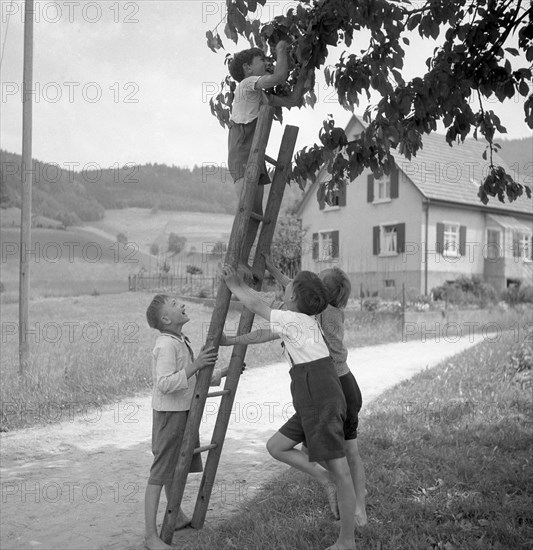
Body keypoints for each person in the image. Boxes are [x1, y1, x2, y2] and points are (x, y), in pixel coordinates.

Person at [221, 266, 356, 550]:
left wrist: (235, 285)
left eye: (289, 284)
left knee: (342, 472)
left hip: (320, 399)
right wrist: (231, 340)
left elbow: (257, 305)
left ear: (293, 296)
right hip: (312, 399)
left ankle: (347, 540)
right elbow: (263, 334)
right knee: (276, 446)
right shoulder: (301, 321)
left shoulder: (295, 320)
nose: (285, 285)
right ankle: (323, 477)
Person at [264, 260, 368, 527]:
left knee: (343, 454)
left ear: (322, 294)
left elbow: (298, 291)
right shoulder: (326, 311)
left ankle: (354, 504)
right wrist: (274, 271)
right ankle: (352, 505)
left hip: (337, 387)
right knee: (328, 451)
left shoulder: (321, 314)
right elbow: (296, 289)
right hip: (342, 383)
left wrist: (279, 276)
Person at [144, 295, 225, 550]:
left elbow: (189, 378)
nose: (181, 303)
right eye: (174, 303)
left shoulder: (180, 341)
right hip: (170, 415)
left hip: (183, 411)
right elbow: (166, 383)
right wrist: (197, 365)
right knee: (160, 472)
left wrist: (218, 374)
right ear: (166, 319)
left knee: (174, 465)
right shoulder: (166, 345)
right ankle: (150, 535)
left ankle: (175, 516)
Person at [227, 41, 310, 255]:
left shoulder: (261, 95)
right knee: (247, 211)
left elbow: (292, 100)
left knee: (256, 215)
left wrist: (304, 73)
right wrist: (282, 49)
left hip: (256, 155)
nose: (267, 62)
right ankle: (236, 259)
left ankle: (243, 260)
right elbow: (279, 77)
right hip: (244, 154)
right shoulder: (246, 85)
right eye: (262, 59)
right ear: (247, 68)